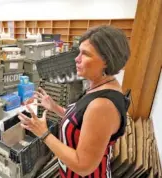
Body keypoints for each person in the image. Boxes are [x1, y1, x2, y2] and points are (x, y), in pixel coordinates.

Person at [18, 25, 130, 178]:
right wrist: (55, 107)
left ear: (106, 60)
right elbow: (82, 122)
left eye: (85, 54)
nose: (76, 59)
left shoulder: (102, 105)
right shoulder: (98, 86)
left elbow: (83, 166)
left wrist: (43, 133)